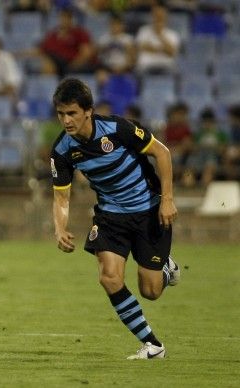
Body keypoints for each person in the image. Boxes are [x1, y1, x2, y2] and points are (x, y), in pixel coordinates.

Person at [49, 78, 180, 359]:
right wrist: (60, 227)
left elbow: (162, 153)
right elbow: (61, 196)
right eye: (61, 114)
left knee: (151, 291)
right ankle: (153, 345)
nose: (66, 120)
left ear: (88, 111)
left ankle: (165, 268)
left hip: (148, 210)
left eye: (71, 113)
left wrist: (167, 199)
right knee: (109, 277)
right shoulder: (62, 150)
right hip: (110, 216)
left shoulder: (118, 128)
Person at [183, 108, 228, 187]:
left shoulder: (220, 133)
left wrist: (214, 148)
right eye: (205, 121)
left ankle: (204, 189)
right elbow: (192, 148)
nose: (207, 124)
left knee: (209, 168)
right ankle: (188, 188)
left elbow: (223, 149)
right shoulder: (198, 133)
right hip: (198, 156)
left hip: (212, 157)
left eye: (209, 121)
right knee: (188, 170)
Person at [135, 3, 180, 75]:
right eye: (156, 14)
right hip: (146, 67)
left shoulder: (172, 34)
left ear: (166, 16)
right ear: (152, 15)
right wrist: (162, 49)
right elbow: (141, 47)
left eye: (161, 15)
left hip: (166, 67)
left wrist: (160, 35)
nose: (158, 17)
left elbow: (171, 52)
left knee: (174, 73)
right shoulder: (143, 31)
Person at [163, 102, 192, 182]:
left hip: (183, 157)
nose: (178, 117)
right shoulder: (166, 128)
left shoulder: (185, 129)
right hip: (168, 154)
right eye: (176, 114)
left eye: (181, 115)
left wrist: (174, 150)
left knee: (177, 160)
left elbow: (187, 146)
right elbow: (161, 143)